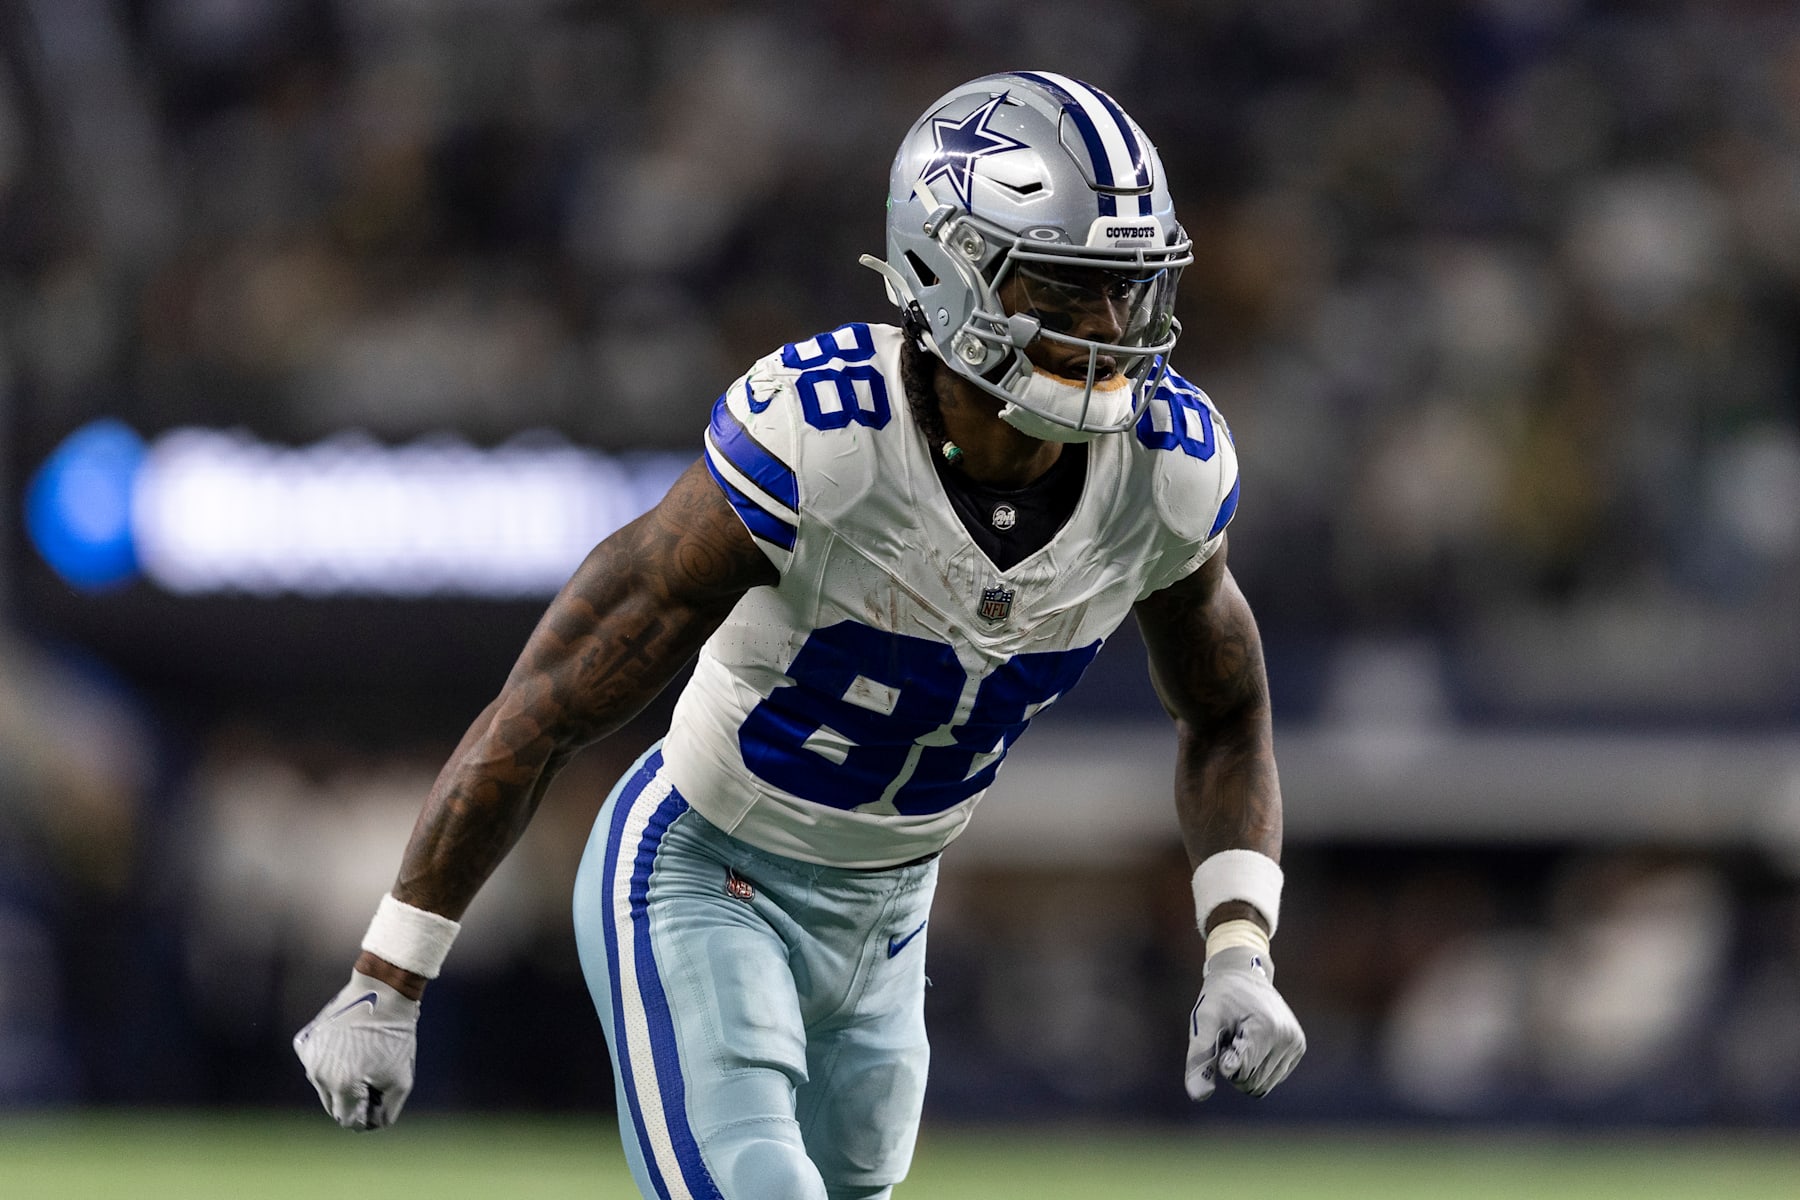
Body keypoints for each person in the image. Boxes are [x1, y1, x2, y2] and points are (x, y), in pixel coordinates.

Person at [295, 71, 1305, 1199]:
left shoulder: (1165, 472)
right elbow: (550, 700)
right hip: (706, 871)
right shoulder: (824, 440)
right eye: (1068, 287)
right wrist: (390, 975)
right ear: (947, 267)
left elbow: (1227, 710)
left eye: (1129, 288)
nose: (1111, 329)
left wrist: (1238, 949)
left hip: (891, 915)